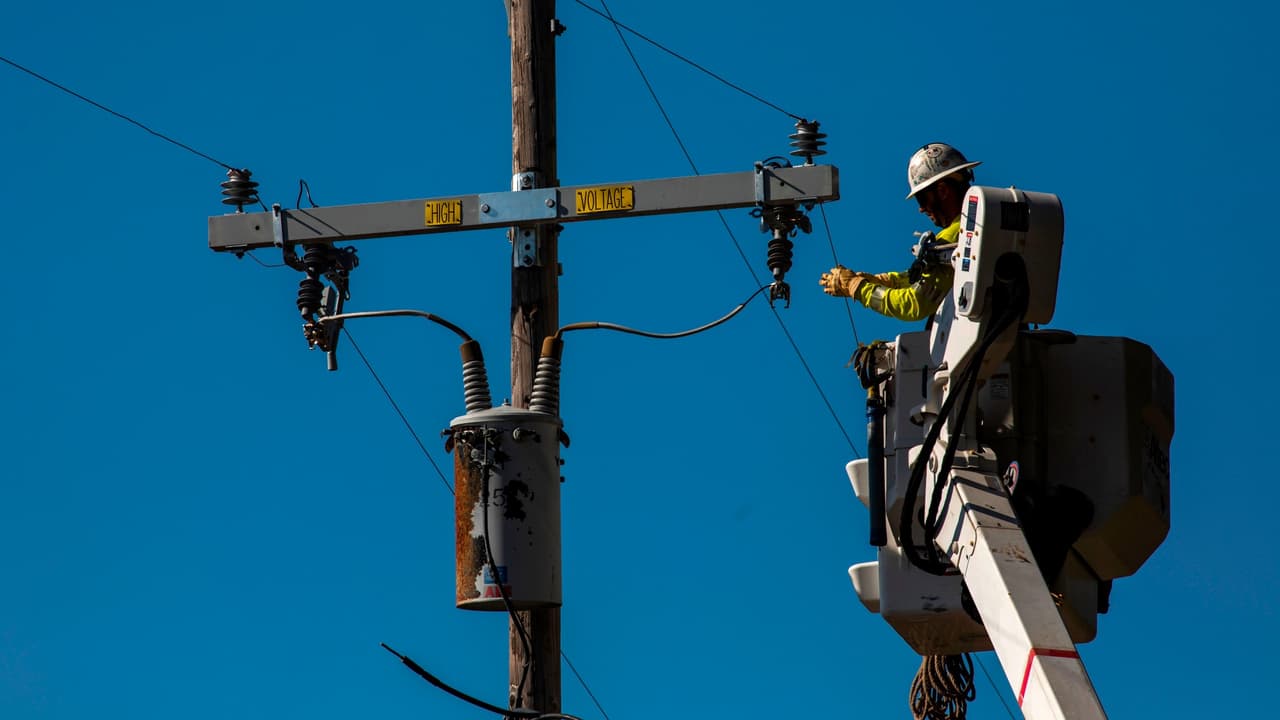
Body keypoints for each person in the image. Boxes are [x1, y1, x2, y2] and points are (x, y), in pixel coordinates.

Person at [819, 143, 980, 321]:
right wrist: (886, 281)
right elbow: (929, 278)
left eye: (921, 199)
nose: (921, 209)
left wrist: (857, 287)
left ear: (942, 191)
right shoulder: (986, 227)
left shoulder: (953, 240)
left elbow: (914, 303)